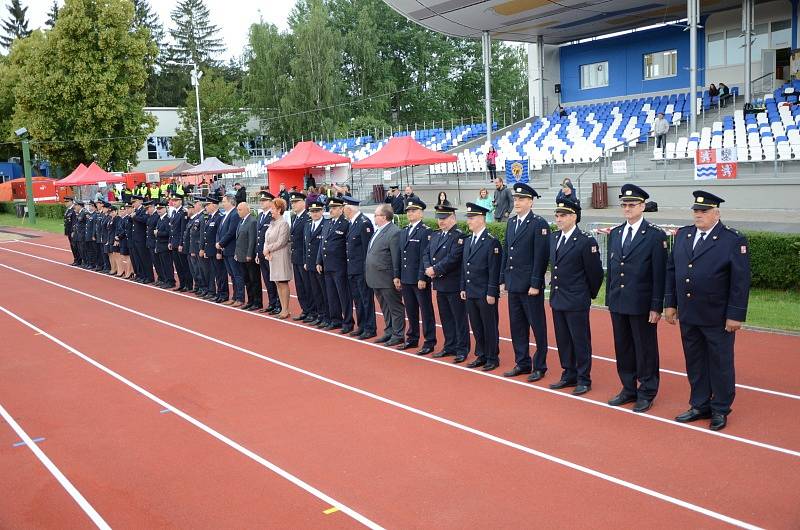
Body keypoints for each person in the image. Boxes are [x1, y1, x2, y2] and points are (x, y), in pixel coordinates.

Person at [665, 190, 750, 432]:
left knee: (720, 363)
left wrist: (735, 314)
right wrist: (670, 303)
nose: (698, 215)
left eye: (704, 211)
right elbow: (672, 270)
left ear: (717, 213)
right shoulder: (683, 235)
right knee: (695, 361)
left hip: (717, 315)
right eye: (696, 211)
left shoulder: (732, 240)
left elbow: (740, 281)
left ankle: (721, 408)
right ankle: (700, 404)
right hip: (689, 313)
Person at [606, 184, 667, 413]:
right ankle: (628, 387)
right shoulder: (616, 233)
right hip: (619, 301)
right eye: (624, 205)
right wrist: (610, 298)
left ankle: (647, 390)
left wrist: (656, 305)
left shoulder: (654, 235)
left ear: (642, 206)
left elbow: (659, 274)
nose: (628, 208)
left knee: (645, 349)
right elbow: (613, 269)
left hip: (641, 303)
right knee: (623, 347)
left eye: (632, 204)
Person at [548, 197, 604, 395]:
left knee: (579, 340)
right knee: (563, 339)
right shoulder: (554, 237)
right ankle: (568, 373)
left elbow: (596, 273)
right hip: (558, 298)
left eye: (563, 215)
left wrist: (586, 294)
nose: (558, 218)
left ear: (574, 217)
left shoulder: (584, 241)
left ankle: (583, 378)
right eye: (557, 215)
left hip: (576, 299)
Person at [500, 183, 551, 381]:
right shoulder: (512, 222)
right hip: (513, 284)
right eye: (516, 198)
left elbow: (541, 256)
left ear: (530, 201)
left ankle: (540, 365)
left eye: (521, 199)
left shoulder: (538, 224)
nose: (517, 202)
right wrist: (503, 278)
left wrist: (536, 283)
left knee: (537, 326)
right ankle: (522, 362)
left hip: (530, 286)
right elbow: (507, 252)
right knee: (517, 326)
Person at [422, 204, 470, 361]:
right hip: (440, 284)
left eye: (444, 218)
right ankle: (450, 346)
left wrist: (434, 269)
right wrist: (428, 267)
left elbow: (453, 258)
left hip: (453, 283)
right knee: (446, 318)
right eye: (439, 218)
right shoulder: (436, 235)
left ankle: (462, 349)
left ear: (453, 218)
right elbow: (426, 253)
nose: (440, 221)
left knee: (459, 318)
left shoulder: (459, 236)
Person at [461, 202, 503, 372]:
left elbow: (494, 269)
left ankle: (492, 357)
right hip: (471, 291)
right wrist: (463, 287)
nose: (468, 221)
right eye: (468, 218)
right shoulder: (468, 240)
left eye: (471, 218)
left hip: (485, 292)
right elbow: (465, 266)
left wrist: (492, 291)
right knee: (477, 325)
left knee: (489, 325)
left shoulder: (491, 242)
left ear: (481, 219)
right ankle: (481, 354)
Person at [393, 198, 436, 355]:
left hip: (418, 279)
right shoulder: (404, 231)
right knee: (411, 310)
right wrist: (397, 275)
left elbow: (424, 257)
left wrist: (422, 278)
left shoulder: (426, 231)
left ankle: (429, 341)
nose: (410, 213)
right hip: (405, 278)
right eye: (408, 211)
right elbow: (399, 255)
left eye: (413, 211)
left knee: (426, 311)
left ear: (421, 213)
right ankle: (412, 338)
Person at [366, 203, 404, 346]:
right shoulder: (379, 230)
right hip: (376, 277)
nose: (374, 217)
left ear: (384, 216)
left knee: (395, 307)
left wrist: (396, 276)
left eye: (376, 215)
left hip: (387, 277)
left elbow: (395, 257)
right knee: (385, 307)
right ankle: (389, 331)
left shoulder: (394, 232)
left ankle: (398, 334)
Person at [316, 197, 352, 331]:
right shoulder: (327, 223)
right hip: (327, 265)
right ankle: (335, 319)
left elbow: (347, 246)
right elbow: (322, 243)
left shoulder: (345, 224)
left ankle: (348, 322)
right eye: (330, 208)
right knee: (331, 295)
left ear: (341, 209)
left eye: (335, 208)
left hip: (339, 265)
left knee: (344, 296)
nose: (331, 210)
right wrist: (319, 261)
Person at [343, 196, 377, 339]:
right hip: (352, 268)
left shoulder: (364, 223)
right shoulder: (353, 223)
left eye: (344, 207)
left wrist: (365, 270)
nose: (343, 210)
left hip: (361, 270)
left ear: (349, 208)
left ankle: (370, 328)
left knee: (365, 299)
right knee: (357, 299)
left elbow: (366, 250)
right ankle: (362, 325)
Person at [263, 197, 293, 319]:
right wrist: (266, 251)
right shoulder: (272, 224)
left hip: (281, 256)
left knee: (282, 282)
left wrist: (268, 249)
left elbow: (281, 242)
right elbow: (266, 239)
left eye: (273, 209)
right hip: (272, 257)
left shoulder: (284, 224)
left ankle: (286, 309)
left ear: (279, 210)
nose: (271, 211)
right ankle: (282, 308)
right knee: (277, 283)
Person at [303, 198, 330, 326]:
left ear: (322, 211)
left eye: (317, 211)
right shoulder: (308, 224)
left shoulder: (326, 224)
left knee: (324, 292)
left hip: (320, 264)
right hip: (310, 263)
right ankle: (320, 315)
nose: (314, 213)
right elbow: (305, 245)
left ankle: (327, 316)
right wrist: (305, 261)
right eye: (312, 211)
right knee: (315, 292)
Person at [255, 192, 281, 314]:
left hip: (271, 253)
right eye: (261, 200)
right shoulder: (260, 215)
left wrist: (269, 251)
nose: (262, 202)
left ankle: (279, 304)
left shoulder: (273, 215)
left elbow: (276, 236)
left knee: (275, 280)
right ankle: (272, 303)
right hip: (262, 253)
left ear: (271, 202)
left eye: (264, 200)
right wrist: (257, 253)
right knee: (267, 280)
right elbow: (258, 236)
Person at [289, 192, 313, 321]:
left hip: (303, 257)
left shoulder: (307, 218)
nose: (293, 204)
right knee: (299, 286)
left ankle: (312, 311)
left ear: (303, 202)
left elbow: (306, 241)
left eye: (295, 202)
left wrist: (305, 259)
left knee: (307, 286)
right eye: (292, 202)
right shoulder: (295, 217)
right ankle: (305, 309)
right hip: (296, 257)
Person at [235, 201, 260, 310]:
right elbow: (238, 239)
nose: (238, 212)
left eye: (240, 210)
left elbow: (252, 239)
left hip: (248, 256)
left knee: (254, 279)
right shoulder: (241, 221)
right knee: (247, 280)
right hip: (241, 255)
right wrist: (236, 253)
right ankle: (250, 300)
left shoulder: (252, 221)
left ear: (246, 209)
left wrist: (250, 254)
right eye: (237, 209)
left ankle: (257, 302)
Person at [215, 194, 240, 304]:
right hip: (225, 249)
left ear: (231, 202)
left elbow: (231, 232)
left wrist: (221, 243)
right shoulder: (225, 215)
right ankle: (234, 297)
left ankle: (239, 298)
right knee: (232, 275)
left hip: (232, 249)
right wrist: (219, 245)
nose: (222, 204)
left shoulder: (234, 214)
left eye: (224, 201)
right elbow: (220, 232)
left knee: (237, 275)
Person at [168, 195, 191, 291]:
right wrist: (170, 241)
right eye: (173, 201)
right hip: (174, 242)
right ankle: (182, 284)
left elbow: (183, 230)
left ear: (181, 201)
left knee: (184, 265)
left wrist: (181, 243)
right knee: (177, 265)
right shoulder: (174, 212)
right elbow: (171, 229)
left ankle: (188, 284)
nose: (174, 202)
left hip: (179, 243)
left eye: (176, 201)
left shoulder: (183, 213)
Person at [186, 199, 206, 295]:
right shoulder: (197, 217)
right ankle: (199, 286)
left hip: (198, 247)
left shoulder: (202, 216)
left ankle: (202, 287)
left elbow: (201, 234)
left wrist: (199, 248)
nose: (194, 206)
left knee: (200, 269)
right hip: (193, 247)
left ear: (199, 205)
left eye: (195, 204)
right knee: (195, 269)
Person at [154, 201, 175, 288]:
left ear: (165, 209)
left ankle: (170, 281)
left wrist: (158, 233)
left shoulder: (167, 219)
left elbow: (168, 233)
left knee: (168, 265)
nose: (159, 210)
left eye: (160, 209)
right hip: (159, 245)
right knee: (163, 265)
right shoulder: (160, 219)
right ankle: (166, 280)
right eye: (157, 209)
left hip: (165, 245)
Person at [64, 197, 80, 265]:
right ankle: (76, 259)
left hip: (73, 232)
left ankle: (78, 260)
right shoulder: (68, 210)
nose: (65, 203)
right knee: (72, 246)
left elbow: (74, 222)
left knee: (75, 246)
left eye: (67, 201)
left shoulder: (73, 210)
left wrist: (73, 231)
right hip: (69, 231)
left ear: (71, 202)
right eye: (65, 202)